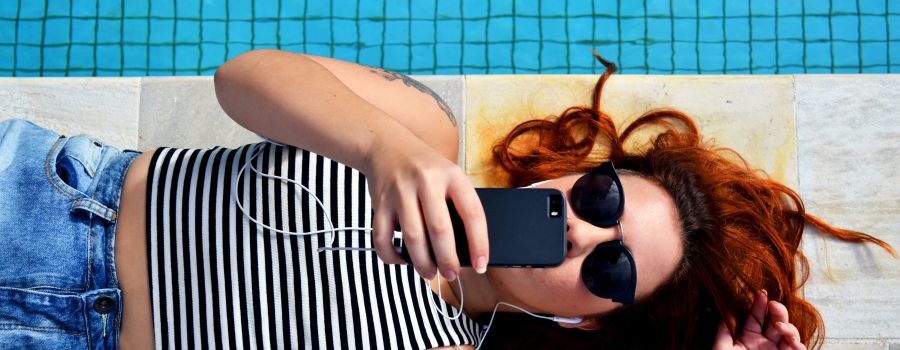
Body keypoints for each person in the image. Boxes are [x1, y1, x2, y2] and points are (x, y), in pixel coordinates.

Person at [0, 49, 892, 350]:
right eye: (603, 197)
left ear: (596, 321)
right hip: (48, 205)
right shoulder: (424, 136)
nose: (581, 231)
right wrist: (379, 148)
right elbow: (243, 80)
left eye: (611, 269)